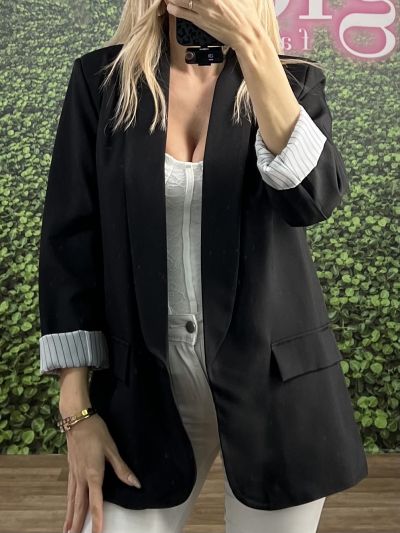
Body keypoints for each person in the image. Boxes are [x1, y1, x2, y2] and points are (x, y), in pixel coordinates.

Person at [38, 1, 368, 532]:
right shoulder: (102, 83)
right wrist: (77, 414)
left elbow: (312, 199)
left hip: (275, 391)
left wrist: (255, 51)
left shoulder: (293, 83)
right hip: (143, 390)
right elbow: (70, 244)